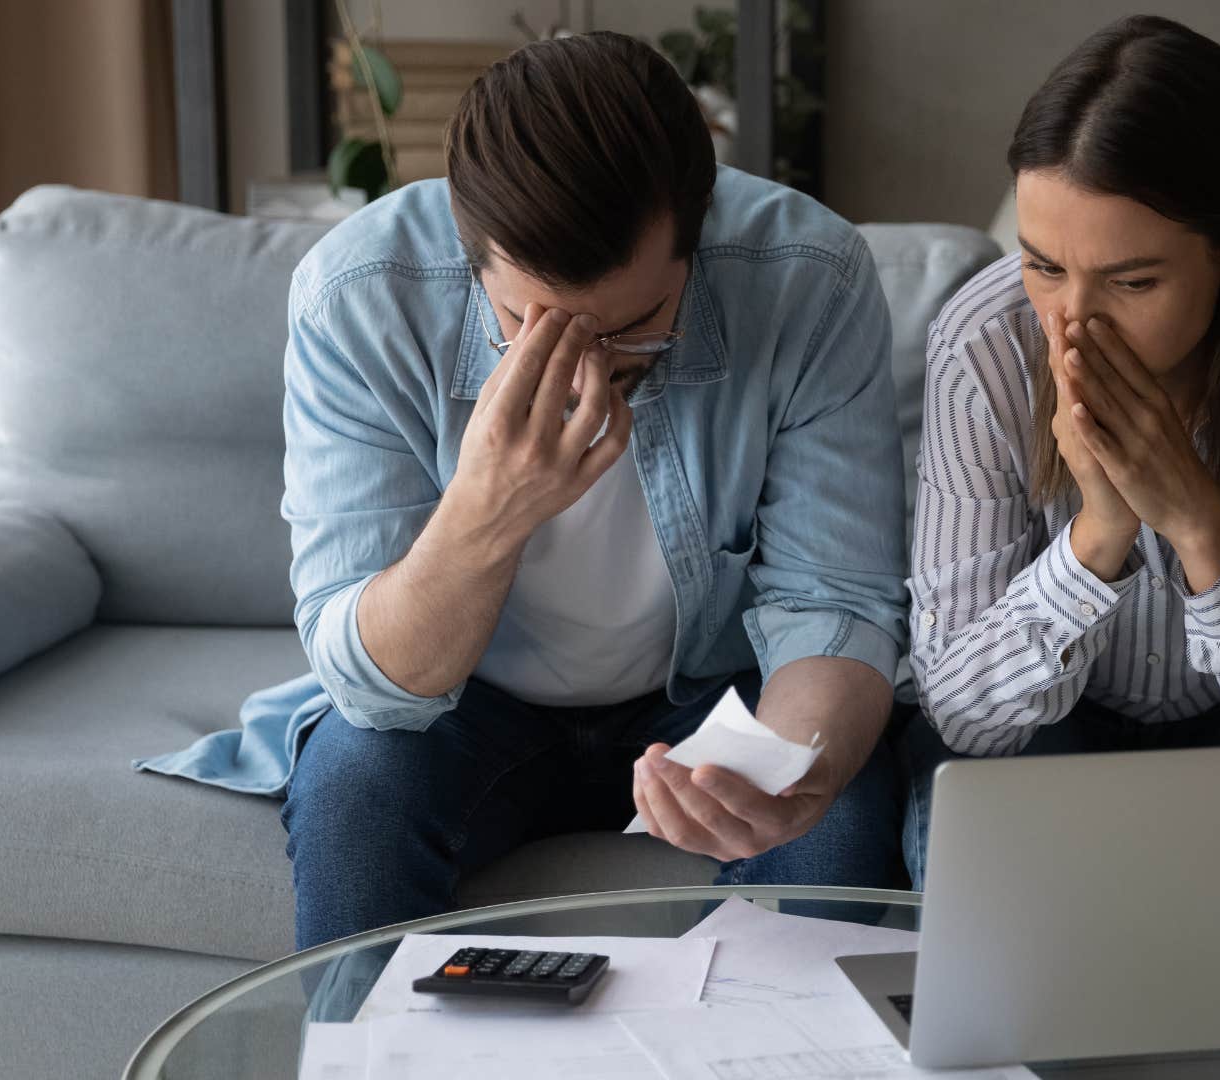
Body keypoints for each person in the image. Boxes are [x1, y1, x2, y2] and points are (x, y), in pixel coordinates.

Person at [136, 32, 910, 951]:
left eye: (633, 329)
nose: (584, 369)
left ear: (697, 241)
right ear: (471, 255)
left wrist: (792, 775)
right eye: (529, 324)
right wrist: (486, 510)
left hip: (717, 688)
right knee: (355, 798)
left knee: (840, 820)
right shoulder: (360, 296)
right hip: (467, 705)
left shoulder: (808, 277)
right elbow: (371, 684)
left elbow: (836, 603)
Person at [901, 18, 1220, 1069]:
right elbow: (961, 712)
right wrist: (1098, 537)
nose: (1072, 326)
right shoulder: (983, 346)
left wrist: (1200, 527)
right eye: (1043, 265)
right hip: (1045, 734)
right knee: (1001, 945)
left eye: (1132, 282)